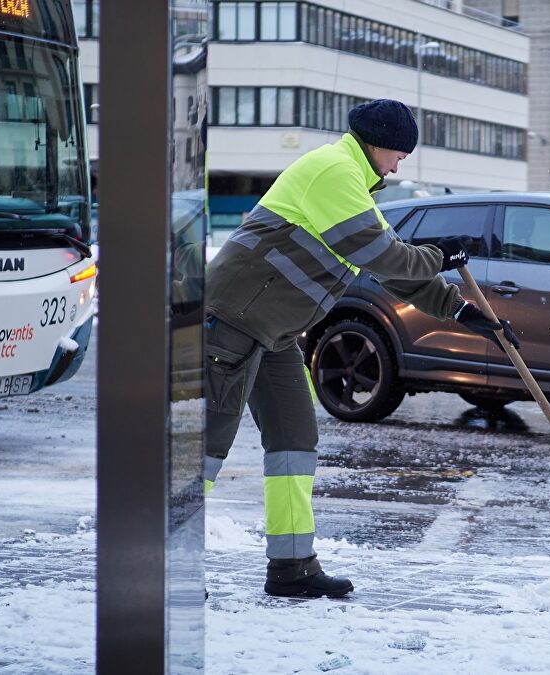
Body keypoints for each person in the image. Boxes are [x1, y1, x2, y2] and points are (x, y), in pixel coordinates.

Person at [203, 99, 520, 599]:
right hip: (232, 321)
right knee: (205, 447)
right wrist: (439, 254)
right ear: (377, 144)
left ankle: (291, 567)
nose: (398, 166)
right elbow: (380, 254)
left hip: (275, 333)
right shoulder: (332, 170)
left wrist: (462, 312)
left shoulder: (356, 188)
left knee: (294, 443)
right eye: (399, 154)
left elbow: (394, 271)